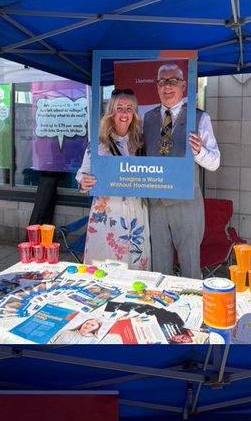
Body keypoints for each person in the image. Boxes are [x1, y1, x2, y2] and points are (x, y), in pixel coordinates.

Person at [141, 62, 220, 279]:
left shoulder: (200, 117)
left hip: (186, 202)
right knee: (159, 267)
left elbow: (215, 162)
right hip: (156, 203)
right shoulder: (147, 118)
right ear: (157, 87)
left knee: (190, 266)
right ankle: (162, 301)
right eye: (162, 82)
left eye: (173, 81)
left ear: (183, 86)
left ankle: (192, 300)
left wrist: (199, 151)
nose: (167, 86)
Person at [76, 88, 150, 269]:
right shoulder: (98, 143)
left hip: (136, 214)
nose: (124, 114)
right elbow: (82, 173)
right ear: (111, 112)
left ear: (134, 113)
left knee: (135, 266)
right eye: (119, 108)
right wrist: (84, 181)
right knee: (105, 266)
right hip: (108, 215)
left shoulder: (141, 142)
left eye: (129, 109)